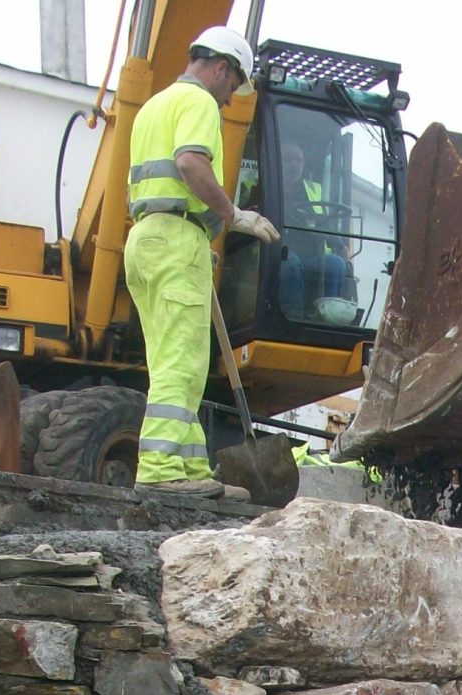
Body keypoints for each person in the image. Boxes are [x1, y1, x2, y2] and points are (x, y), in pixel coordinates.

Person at [125, 26, 281, 496]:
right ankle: (160, 471)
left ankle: (188, 469)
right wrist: (231, 215)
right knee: (182, 360)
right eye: (233, 86)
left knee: (177, 359)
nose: (231, 99)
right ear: (220, 68)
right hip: (175, 239)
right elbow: (192, 163)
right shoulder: (198, 104)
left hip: (148, 238)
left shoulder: (154, 105)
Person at [277, 121, 357, 322]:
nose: (294, 164)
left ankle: (325, 316)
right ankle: (294, 318)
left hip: (309, 255)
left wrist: (339, 245)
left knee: (336, 264)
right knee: (290, 263)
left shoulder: (312, 193)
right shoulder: (266, 189)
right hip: (277, 253)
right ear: (278, 161)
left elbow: (324, 223)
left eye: (298, 160)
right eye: (288, 159)